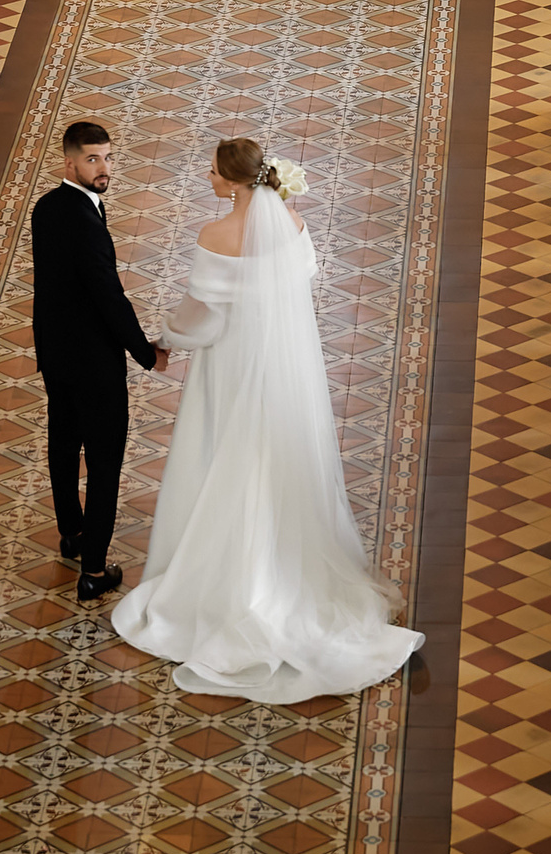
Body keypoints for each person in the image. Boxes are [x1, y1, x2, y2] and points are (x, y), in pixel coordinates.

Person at [113, 138, 422, 703]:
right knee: (267, 455)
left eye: (211, 173)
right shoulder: (294, 227)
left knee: (224, 452)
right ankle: (276, 567)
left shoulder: (214, 236)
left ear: (233, 182)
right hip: (281, 367)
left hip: (229, 366)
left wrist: (166, 340)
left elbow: (202, 318)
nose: (207, 179)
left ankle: (226, 580)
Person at [31, 121, 162, 603]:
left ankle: (71, 533)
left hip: (57, 355)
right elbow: (108, 296)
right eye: (92, 159)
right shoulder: (86, 221)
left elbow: (50, 288)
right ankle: (93, 569)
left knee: (63, 445)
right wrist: (146, 353)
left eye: (107, 157)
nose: (103, 168)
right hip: (93, 364)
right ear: (69, 163)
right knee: (104, 462)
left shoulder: (47, 208)